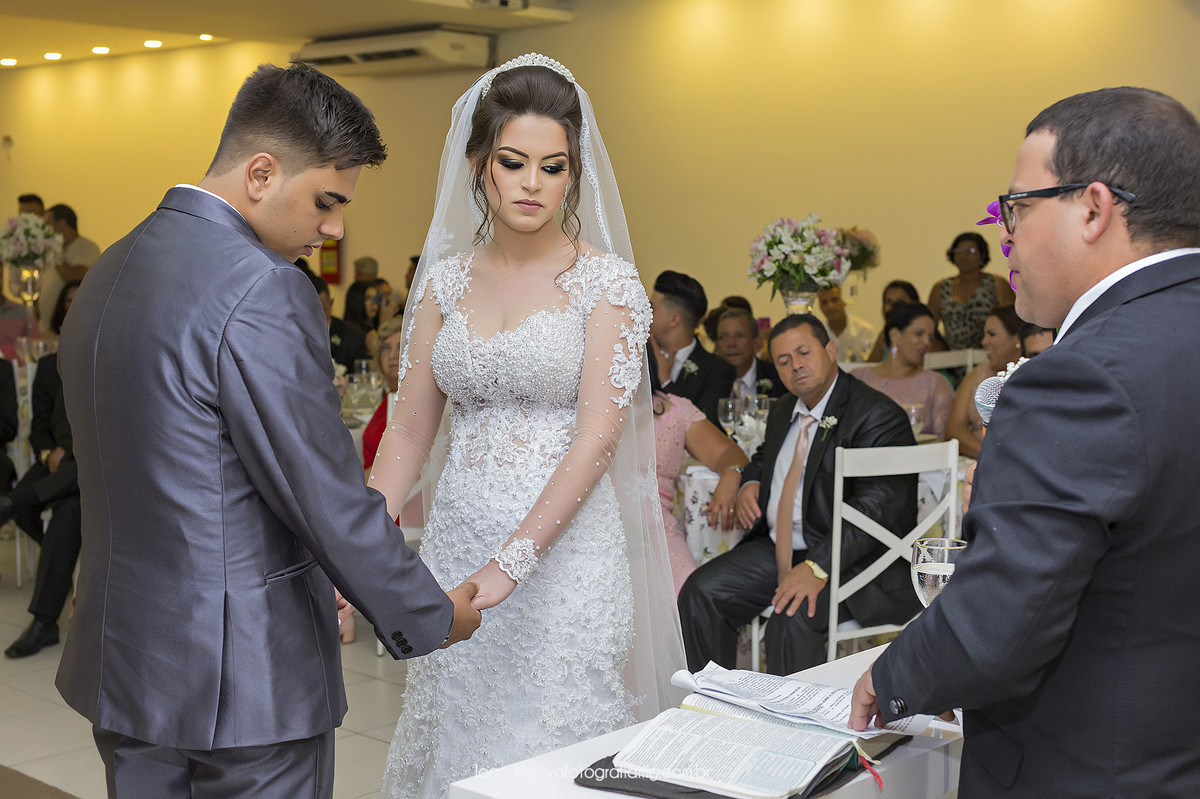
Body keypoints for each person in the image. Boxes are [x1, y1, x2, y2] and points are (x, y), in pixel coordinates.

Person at [55, 62, 480, 798]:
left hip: (124, 660)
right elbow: (323, 495)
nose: (334, 228)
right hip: (245, 678)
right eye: (326, 201)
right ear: (260, 173)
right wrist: (433, 615)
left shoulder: (111, 267)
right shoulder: (263, 287)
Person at [850, 86, 1200, 797]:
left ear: (1094, 209)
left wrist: (891, 676)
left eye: (1019, 206)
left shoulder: (1082, 375)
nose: (1008, 234)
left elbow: (999, 627)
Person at [367, 54, 685, 798]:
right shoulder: (443, 284)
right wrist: (360, 542)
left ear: (574, 173)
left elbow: (597, 437)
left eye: (553, 166)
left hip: (565, 555)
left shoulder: (606, 284)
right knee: (457, 736)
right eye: (513, 163)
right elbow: (408, 433)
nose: (532, 183)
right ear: (479, 164)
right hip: (457, 544)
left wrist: (512, 561)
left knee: (548, 746)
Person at [678, 313, 920, 675]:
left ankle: (791, 711)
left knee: (791, 614)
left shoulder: (877, 415)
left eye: (804, 352)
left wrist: (816, 566)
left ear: (831, 350)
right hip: (781, 547)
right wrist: (751, 481)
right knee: (700, 593)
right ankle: (714, 699)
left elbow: (876, 509)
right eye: (783, 360)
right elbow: (766, 456)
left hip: (856, 561)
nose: (796, 366)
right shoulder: (784, 408)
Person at [1, 290, 80, 659]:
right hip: (60, 462)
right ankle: (47, 613)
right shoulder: (54, 367)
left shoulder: (109, 361)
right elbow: (43, 424)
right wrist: (50, 452)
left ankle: (44, 622)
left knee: (68, 505)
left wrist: (72, 451)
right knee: (63, 505)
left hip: (90, 464)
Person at [650, 368, 749, 595]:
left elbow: (729, 454)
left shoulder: (672, 410)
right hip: (599, 534)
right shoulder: (581, 409)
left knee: (691, 597)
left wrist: (731, 475)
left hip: (659, 533)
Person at [647, 270, 737, 426]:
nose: (645, 314)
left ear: (674, 319)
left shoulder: (717, 371)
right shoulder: (637, 359)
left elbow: (706, 427)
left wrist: (666, 381)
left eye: (652, 309)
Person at [853, 302, 954, 439]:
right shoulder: (859, 378)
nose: (926, 342)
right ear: (894, 335)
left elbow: (943, 441)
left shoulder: (936, 383)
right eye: (919, 334)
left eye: (930, 337)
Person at [945, 304, 1022, 458]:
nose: (984, 341)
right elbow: (954, 429)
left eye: (992, 334)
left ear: (1017, 338)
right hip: (978, 458)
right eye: (984, 335)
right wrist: (988, 456)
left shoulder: (1031, 376)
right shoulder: (977, 375)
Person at [927, 232, 1016, 349]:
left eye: (971, 251)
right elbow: (929, 327)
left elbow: (1012, 322)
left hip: (993, 352)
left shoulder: (997, 284)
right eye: (959, 251)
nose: (964, 256)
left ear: (982, 255)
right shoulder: (941, 288)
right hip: (952, 356)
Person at [40, 204, 100, 336]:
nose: (44, 229)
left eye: (48, 223)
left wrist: (57, 253)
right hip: (45, 329)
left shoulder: (87, 247)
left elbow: (76, 278)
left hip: (69, 330)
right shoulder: (49, 250)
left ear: (61, 223)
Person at [715, 306, 787, 399]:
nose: (731, 344)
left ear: (756, 344)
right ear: (716, 346)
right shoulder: (708, 380)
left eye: (739, 335)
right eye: (723, 337)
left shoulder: (779, 378)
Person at [307, 270, 370, 373]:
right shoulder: (294, 334)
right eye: (311, 311)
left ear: (331, 303)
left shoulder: (353, 336)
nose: (317, 317)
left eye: (323, 310)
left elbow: (360, 376)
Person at [817, 284, 876, 363]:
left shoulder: (865, 331)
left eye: (834, 300)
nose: (830, 306)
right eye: (824, 302)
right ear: (820, 307)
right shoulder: (817, 333)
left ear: (844, 301)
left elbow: (871, 365)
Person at [866, 279, 920, 362]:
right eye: (889, 302)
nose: (893, 307)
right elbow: (868, 366)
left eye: (900, 302)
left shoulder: (923, 335)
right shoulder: (884, 336)